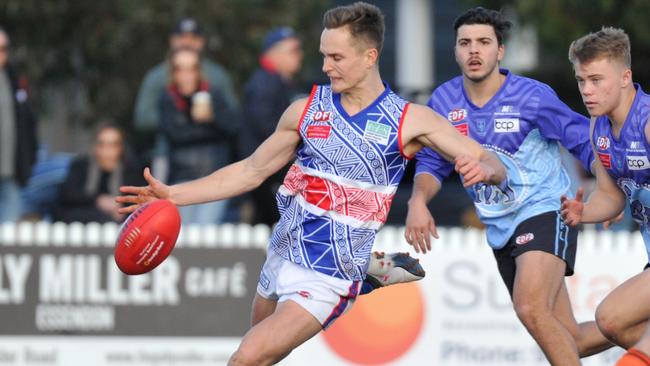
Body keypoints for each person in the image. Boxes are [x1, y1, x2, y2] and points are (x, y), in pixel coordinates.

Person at [117, 3, 505, 365]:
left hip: (328, 275)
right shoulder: (306, 109)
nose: (325, 66)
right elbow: (251, 170)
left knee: (245, 358)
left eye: (336, 57)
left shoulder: (409, 120)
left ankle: (358, 272)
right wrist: (172, 194)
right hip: (284, 248)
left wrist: (484, 169)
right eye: (323, 55)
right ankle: (369, 271)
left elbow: (490, 160)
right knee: (258, 355)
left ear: (369, 57)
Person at [404, 7, 612, 365]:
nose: (474, 51)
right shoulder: (442, 101)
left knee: (529, 307)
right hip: (500, 227)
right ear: (454, 51)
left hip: (547, 209)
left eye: (484, 42)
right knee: (569, 339)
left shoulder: (532, 96)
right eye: (465, 43)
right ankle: (643, 329)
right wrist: (418, 201)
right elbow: (432, 163)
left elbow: (581, 139)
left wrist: (609, 192)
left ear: (499, 51)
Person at [559, 27, 650, 366]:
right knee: (611, 321)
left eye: (597, 80)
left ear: (625, 77)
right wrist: (583, 211)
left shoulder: (647, 121)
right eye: (582, 81)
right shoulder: (598, 128)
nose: (587, 90)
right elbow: (612, 197)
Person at [133, 17, 238, 179]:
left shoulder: (217, 75)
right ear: (172, 40)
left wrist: (212, 116)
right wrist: (177, 118)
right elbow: (142, 118)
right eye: (181, 37)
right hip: (166, 153)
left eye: (193, 38)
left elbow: (234, 116)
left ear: (202, 42)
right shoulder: (157, 76)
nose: (187, 42)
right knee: (169, 202)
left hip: (213, 155)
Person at [159, 47, 239, 225]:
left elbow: (234, 127)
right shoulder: (167, 98)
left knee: (205, 230)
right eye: (180, 68)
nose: (186, 75)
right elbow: (175, 135)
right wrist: (205, 126)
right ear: (173, 72)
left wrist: (212, 118)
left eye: (192, 68)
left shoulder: (214, 94)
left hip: (215, 177)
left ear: (199, 70)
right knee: (184, 233)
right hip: (182, 177)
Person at [241, 26, 304, 226]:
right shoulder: (265, 84)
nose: (299, 56)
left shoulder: (279, 82)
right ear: (274, 53)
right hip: (267, 172)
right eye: (293, 50)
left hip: (270, 168)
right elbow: (266, 126)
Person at [54, 124, 144, 224]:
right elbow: (69, 195)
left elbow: (137, 201)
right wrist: (98, 201)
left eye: (112, 145)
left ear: (121, 148)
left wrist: (118, 208)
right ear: (95, 147)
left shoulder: (130, 171)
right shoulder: (80, 166)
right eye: (102, 145)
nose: (107, 151)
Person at [0, 27, 38, 223]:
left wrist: (29, 159)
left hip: (11, 171)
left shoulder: (14, 79)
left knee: (7, 239)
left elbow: (29, 123)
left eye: (4, 48)